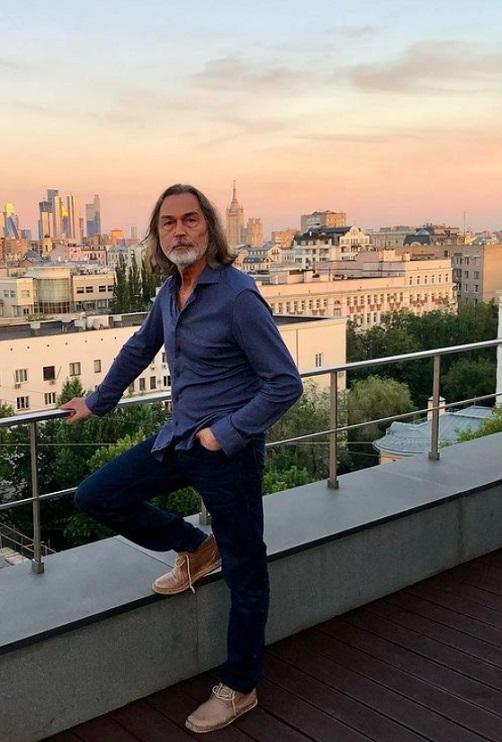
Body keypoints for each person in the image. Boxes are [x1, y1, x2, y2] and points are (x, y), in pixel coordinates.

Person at [61, 183, 303, 734]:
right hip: (179, 439)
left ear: (209, 228)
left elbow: (284, 384)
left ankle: (240, 686)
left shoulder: (237, 297)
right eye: (168, 223)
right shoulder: (171, 292)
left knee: (246, 571)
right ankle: (195, 547)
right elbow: (139, 348)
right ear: (158, 235)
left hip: (226, 453)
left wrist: (226, 434)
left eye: (190, 219)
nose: (179, 231)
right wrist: (97, 401)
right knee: (97, 495)